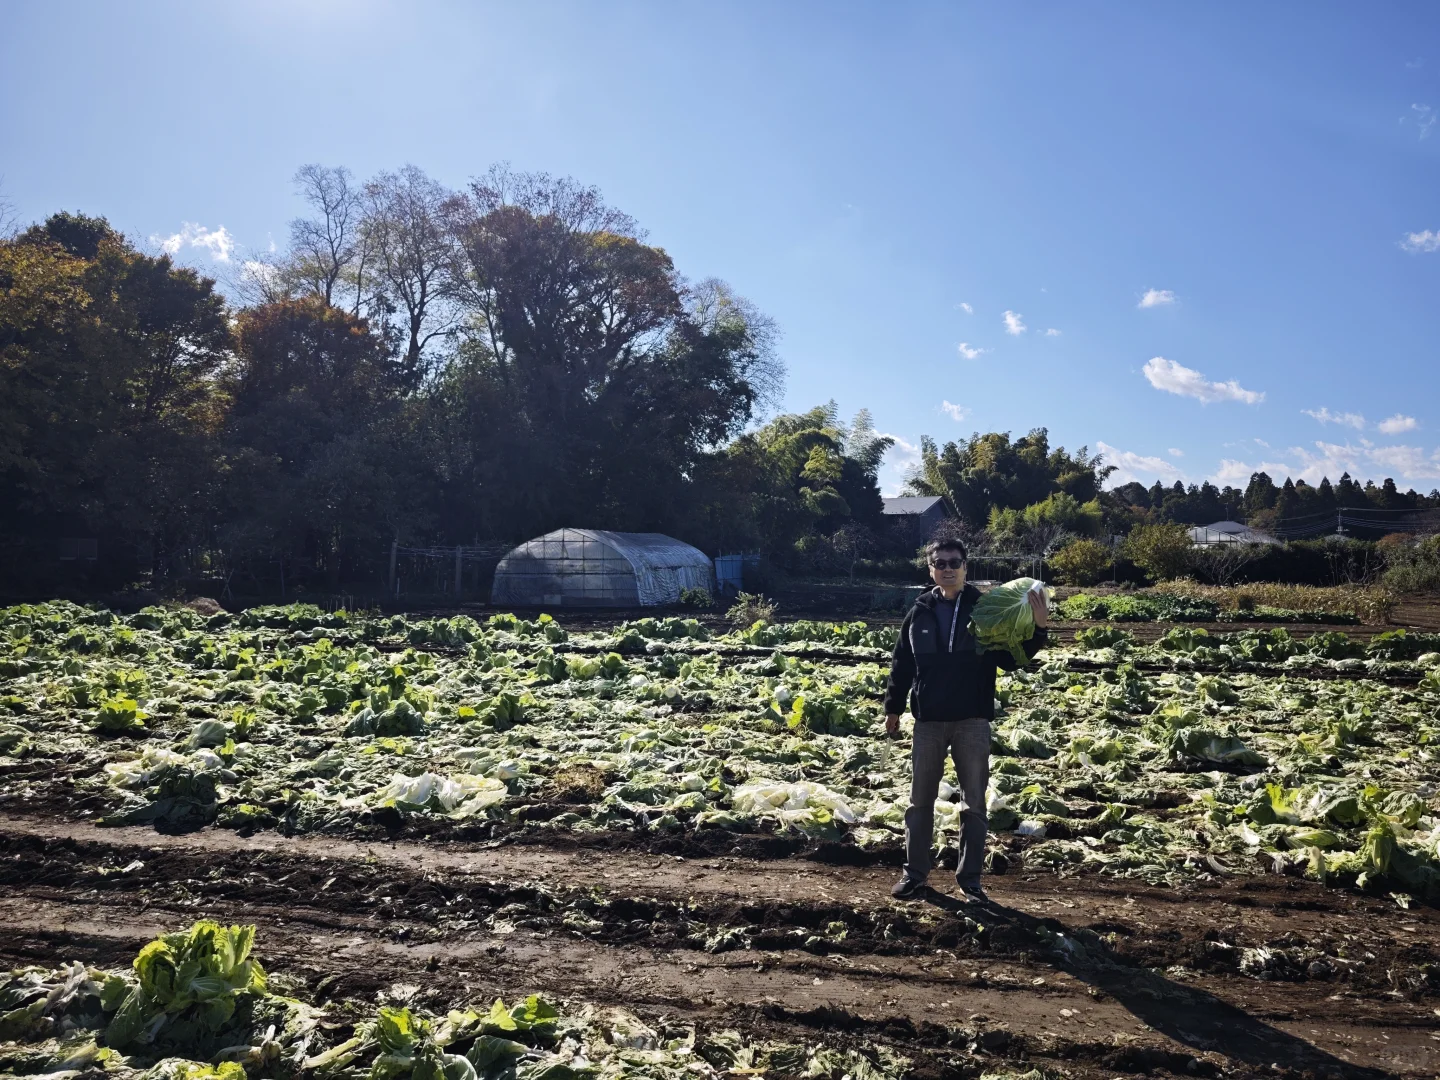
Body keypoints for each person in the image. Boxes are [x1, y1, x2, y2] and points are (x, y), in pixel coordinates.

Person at [883, 538, 1049, 901]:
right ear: (930, 569)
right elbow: (902, 663)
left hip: (972, 720)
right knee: (919, 801)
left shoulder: (984, 609)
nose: (947, 568)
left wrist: (1038, 628)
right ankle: (915, 874)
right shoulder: (920, 611)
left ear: (965, 567)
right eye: (940, 563)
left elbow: (1012, 659)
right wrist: (892, 708)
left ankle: (970, 878)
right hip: (928, 720)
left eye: (954, 562)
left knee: (974, 801)